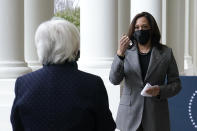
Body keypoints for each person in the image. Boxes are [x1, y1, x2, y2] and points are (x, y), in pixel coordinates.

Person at [10, 19, 116, 131]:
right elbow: (106, 126)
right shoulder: (92, 83)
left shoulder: (23, 83)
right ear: (75, 47)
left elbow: (17, 125)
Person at [109, 12, 181, 131]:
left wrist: (159, 90)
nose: (140, 30)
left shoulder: (166, 52)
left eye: (144, 27)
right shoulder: (125, 52)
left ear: (151, 29)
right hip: (129, 116)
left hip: (155, 117)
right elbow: (114, 80)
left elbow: (176, 84)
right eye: (137, 27)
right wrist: (120, 54)